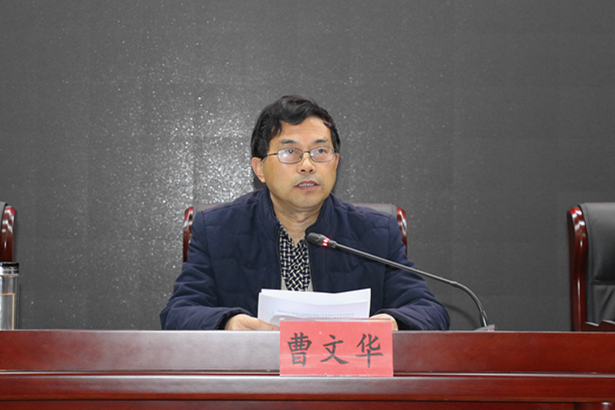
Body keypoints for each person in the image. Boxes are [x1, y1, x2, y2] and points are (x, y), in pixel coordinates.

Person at [160, 95, 449, 331]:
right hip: (257, 379)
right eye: (290, 153)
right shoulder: (217, 230)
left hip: (345, 380)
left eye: (320, 151)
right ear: (260, 169)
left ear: (335, 162)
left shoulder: (376, 232)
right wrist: (229, 323)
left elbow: (430, 312)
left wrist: (391, 323)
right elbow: (179, 313)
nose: (308, 165)